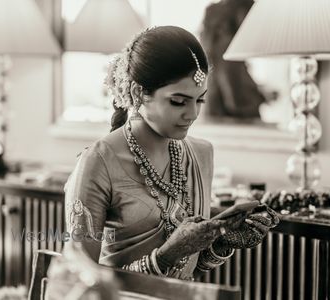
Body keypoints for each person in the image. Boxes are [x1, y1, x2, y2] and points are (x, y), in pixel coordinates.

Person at [63, 26, 279, 281]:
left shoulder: (201, 154)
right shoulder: (99, 161)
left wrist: (220, 242)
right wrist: (166, 255)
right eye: (178, 101)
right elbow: (76, 278)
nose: (193, 114)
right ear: (137, 92)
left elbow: (190, 269)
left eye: (200, 100)